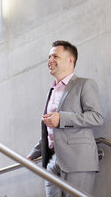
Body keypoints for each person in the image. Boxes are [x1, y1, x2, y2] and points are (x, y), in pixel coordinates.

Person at [27, 40, 103, 197]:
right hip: (52, 160)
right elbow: (50, 128)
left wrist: (61, 119)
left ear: (70, 60)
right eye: (49, 57)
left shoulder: (84, 84)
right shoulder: (52, 90)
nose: (50, 60)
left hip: (78, 160)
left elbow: (96, 117)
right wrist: (34, 153)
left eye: (55, 56)